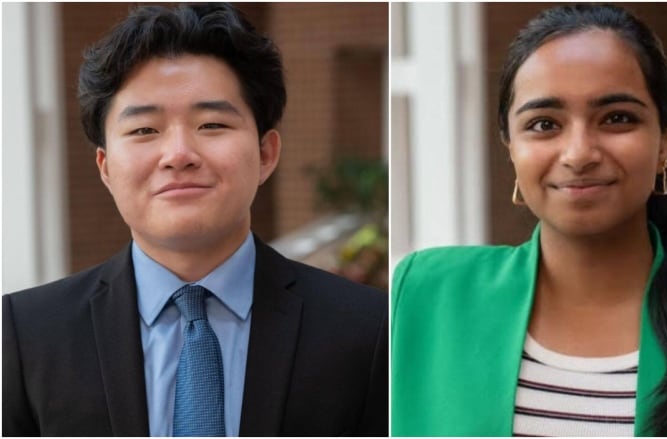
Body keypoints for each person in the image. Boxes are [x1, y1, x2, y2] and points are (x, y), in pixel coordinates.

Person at [391, 4, 667, 437]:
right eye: (543, 124)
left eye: (616, 118)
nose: (578, 154)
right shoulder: (424, 296)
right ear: (511, 146)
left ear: (665, 139)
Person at [3, 3, 387, 436]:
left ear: (266, 154)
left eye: (211, 124)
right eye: (145, 130)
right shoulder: (25, 333)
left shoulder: (369, 330)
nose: (179, 155)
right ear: (105, 167)